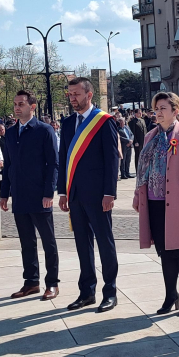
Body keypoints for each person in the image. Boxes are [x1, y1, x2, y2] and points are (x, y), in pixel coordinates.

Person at [133, 92, 179, 316]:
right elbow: (142, 170)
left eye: (163, 108)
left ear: (175, 111)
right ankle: (171, 294)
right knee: (165, 250)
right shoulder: (150, 136)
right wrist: (137, 196)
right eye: (156, 108)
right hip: (154, 200)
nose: (158, 112)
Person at [58, 78, 120, 313]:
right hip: (74, 195)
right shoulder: (67, 123)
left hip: (98, 195)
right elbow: (63, 158)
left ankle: (110, 292)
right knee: (82, 245)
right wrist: (62, 192)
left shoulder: (104, 122)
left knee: (105, 243)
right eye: (70, 94)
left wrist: (109, 193)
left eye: (76, 94)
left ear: (89, 95)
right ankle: (87, 292)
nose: (72, 98)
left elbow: (112, 160)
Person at [0, 90, 60, 302]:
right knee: (27, 242)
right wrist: (4, 194)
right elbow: (8, 165)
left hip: (40, 195)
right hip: (19, 195)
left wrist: (49, 192)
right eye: (15, 104)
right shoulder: (10, 133)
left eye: (21, 104)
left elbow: (53, 163)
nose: (17, 107)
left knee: (48, 242)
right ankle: (31, 282)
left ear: (32, 107)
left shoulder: (44, 130)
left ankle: (52, 283)